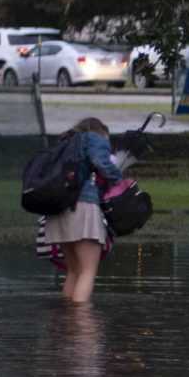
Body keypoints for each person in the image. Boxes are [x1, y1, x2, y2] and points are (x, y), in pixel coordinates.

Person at [36, 117, 127, 303]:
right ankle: (81, 324)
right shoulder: (93, 138)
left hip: (57, 209)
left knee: (74, 271)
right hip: (83, 207)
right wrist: (120, 180)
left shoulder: (64, 143)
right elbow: (102, 164)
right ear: (100, 132)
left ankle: (68, 320)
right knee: (87, 271)